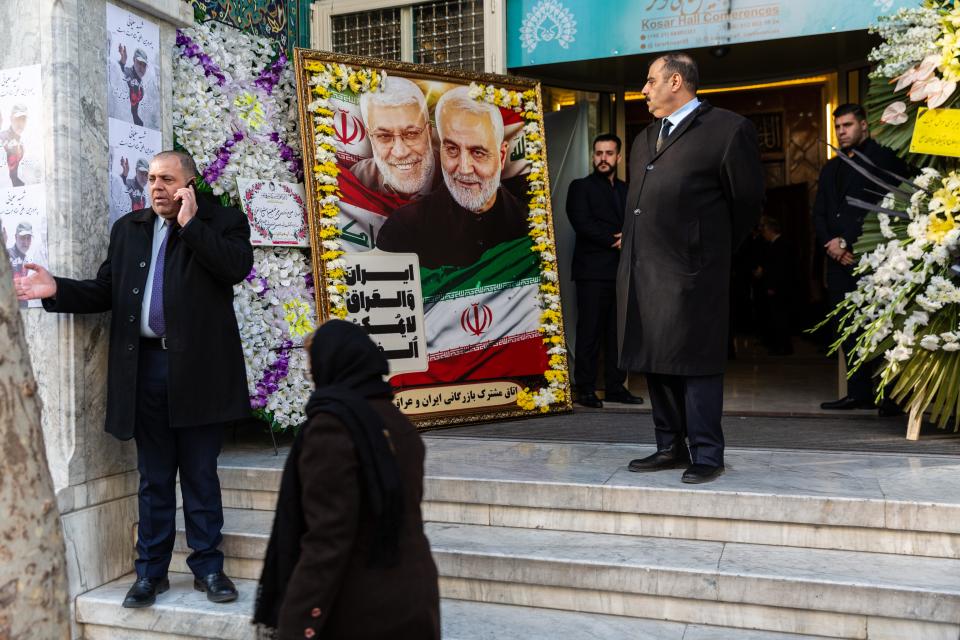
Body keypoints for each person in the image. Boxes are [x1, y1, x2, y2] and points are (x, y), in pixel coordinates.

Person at [15, 150, 252, 608]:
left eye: (167, 179)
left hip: (199, 373)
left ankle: (209, 569)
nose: (156, 186)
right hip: (145, 371)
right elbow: (108, 290)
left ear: (189, 184)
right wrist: (58, 289)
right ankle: (151, 573)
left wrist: (190, 225)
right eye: (150, 179)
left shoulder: (223, 222)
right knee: (154, 477)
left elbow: (234, 268)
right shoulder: (130, 229)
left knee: (201, 475)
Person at [618, 52, 764, 484]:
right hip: (643, 270)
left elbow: (748, 204)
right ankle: (669, 445)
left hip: (694, 272)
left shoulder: (728, 129)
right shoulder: (646, 137)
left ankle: (707, 452)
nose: (643, 90)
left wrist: (707, 249)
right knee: (654, 357)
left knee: (696, 362)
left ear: (675, 81)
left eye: (649, 81)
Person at [253, 320, 440, 640]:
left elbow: (327, 540)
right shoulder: (397, 422)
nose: (314, 381)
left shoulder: (332, 429)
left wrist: (296, 624)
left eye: (315, 371)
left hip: (361, 609)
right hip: (415, 597)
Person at [813, 103, 910, 414]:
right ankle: (858, 393)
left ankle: (890, 395)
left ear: (864, 125)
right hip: (836, 260)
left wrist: (849, 242)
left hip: (873, 259)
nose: (842, 132)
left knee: (881, 325)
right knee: (846, 326)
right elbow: (819, 212)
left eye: (848, 125)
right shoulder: (830, 167)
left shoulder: (884, 158)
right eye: (838, 127)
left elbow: (894, 204)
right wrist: (830, 243)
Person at [376, 86, 528, 269]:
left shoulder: (528, 223)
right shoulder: (403, 229)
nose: (464, 169)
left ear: (502, 156)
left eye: (478, 152)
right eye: (452, 149)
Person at [566, 133, 643, 408]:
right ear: (593, 156)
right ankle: (585, 388)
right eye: (599, 153)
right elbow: (582, 222)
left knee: (617, 334)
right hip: (592, 273)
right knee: (589, 332)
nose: (603, 158)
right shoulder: (580, 187)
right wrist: (616, 240)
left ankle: (615, 387)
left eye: (609, 153)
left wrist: (629, 238)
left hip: (622, 272)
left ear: (618, 157)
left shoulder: (628, 190)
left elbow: (641, 221)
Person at [351, 76, 440, 200]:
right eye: (384, 136)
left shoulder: (456, 177)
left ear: (429, 132)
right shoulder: (359, 177)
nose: (400, 152)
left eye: (411, 134)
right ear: (370, 137)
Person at [754, 216, 793, 356]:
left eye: (764, 230)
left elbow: (780, 269)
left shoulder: (781, 245)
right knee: (776, 317)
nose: (763, 234)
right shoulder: (773, 245)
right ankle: (779, 345)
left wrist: (772, 286)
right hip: (777, 286)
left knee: (780, 317)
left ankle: (782, 346)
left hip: (779, 288)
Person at [118, 44, 148, 126]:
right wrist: (121, 63)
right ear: (134, 60)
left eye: (144, 65)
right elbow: (118, 74)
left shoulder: (141, 85)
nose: (141, 67)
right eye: (139, 63)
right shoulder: (127, 72)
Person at [1, 104, 27, 187]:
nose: (20, 123)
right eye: (17, 119)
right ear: (11, 119)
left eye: (23, 119)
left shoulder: (22, 144)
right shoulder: (2, 138)